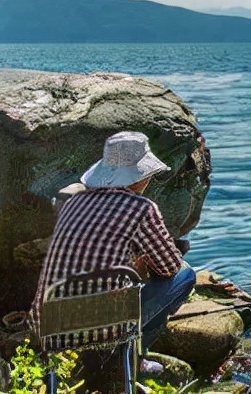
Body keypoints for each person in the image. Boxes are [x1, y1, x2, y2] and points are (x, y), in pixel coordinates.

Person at [33, 131, 197, 359]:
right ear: (139, 178)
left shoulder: (72, 203)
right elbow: (169, 267)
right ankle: (133, 354)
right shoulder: (141, 208)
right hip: (102, 324)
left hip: (52, 320)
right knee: (185, 275)